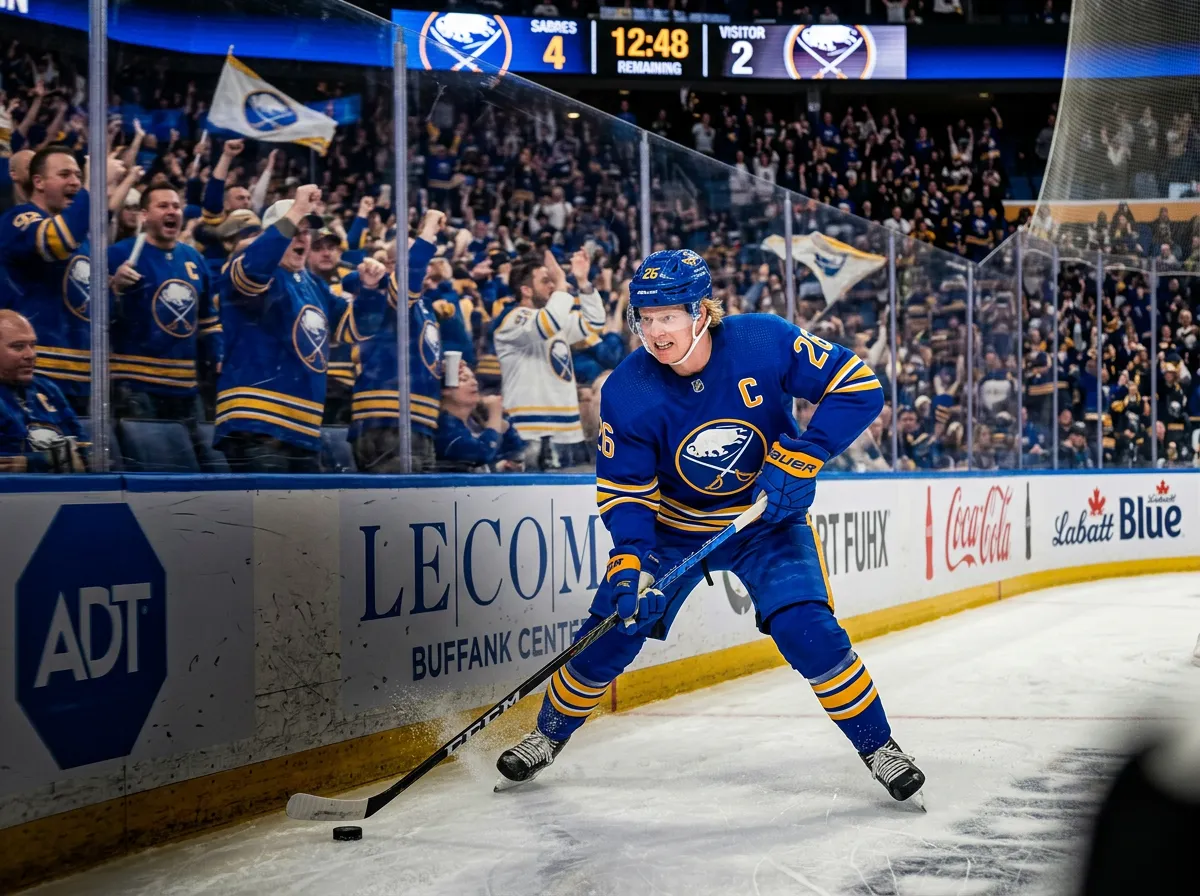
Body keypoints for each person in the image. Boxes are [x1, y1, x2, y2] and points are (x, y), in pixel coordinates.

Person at [495, 249, 926, 805]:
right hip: (674, 532)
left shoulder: (763, 340)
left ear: (702, 311)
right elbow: (625, 492)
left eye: (669, 316)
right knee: (608, 633)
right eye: (645, 319)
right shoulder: (627, 390)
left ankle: (879, 747)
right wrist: (629, 558)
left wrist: (807, 454)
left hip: (765, 520)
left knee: (809, 632)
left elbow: (858, 386)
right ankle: (545, 736)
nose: (655, 332)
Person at [213, 185, 389, 473]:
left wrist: (369, 291)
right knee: (269, 515)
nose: (302, 238)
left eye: (307, 232)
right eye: (295, 229)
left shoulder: (313, 284)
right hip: (257, 420)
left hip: (303, 427)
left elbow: (355, 329)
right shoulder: (251, 266)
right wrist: (296, 209)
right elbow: (256, 267)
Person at [107, 184, 220, 438]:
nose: (172, 211)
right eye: (163, 206)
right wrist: (114, 287)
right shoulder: (118, 255)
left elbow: (208, 319)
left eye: (176, 206)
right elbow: (96, 315)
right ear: (144, 215)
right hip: (135, 384)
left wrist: (217, 354)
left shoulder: (194, 258)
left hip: (185, 385)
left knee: (193, 469)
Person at [0, 309, 86, 472]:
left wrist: (32, 463)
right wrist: (56, 459)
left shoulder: (47, 388)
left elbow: (86, 453)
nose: (31, 355)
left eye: (33, 345)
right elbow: (6, 463)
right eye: (18, 347)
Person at [435, 360, 525, 472]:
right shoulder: (444, 428)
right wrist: (495, 415)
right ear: (445, 391)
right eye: (463, 380)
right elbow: (482, 453)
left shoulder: (476, 423)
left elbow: (516, 453)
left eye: (473, 378)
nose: (474, 383)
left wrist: (504, 425)